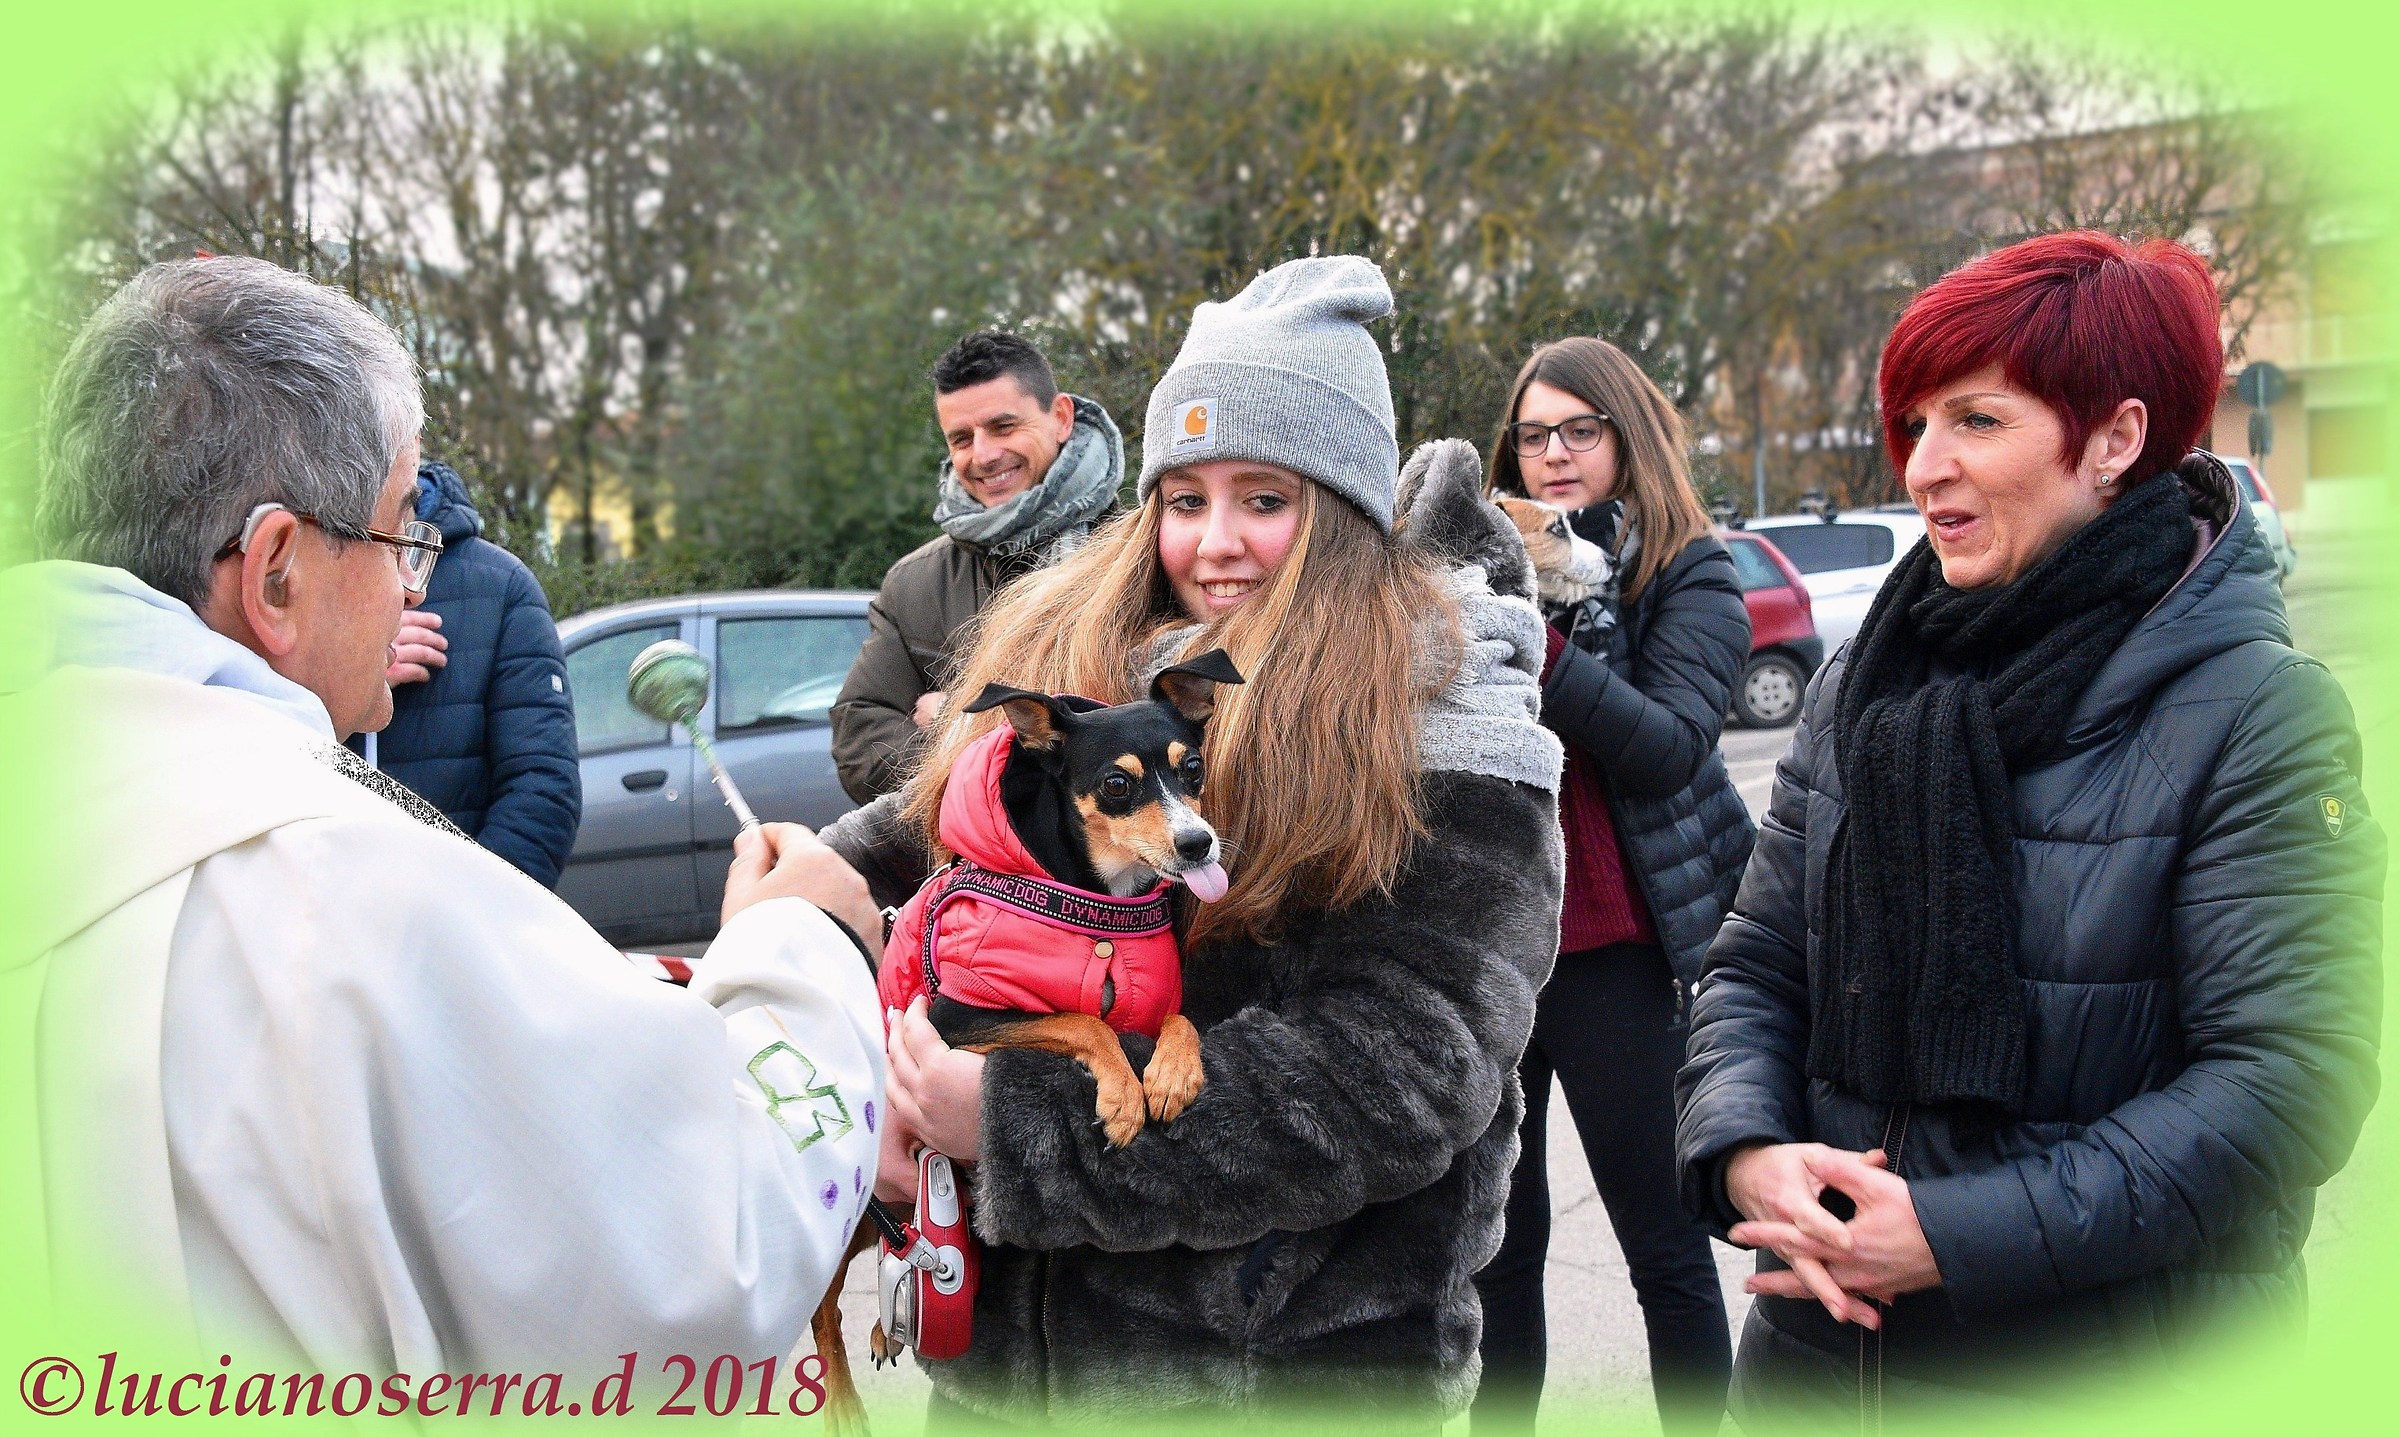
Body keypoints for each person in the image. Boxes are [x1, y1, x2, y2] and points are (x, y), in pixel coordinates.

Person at [2, 256, 887, 1381]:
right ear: (276, 573)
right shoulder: (347, 897)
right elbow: (710, 1265)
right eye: (397, 536)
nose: (416, 586)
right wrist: (800, 948)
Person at [823, 256, 1566, 1427]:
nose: (1212, 542)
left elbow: (1400, 1073)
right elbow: (942, 833)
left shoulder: (1446, 727)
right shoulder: (1110, 668)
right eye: (1184, 498)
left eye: (1264, 498)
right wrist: (820, 893)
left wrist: (1023, 1129)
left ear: (1343, 518)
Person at [1675, 232, 2384, 1423]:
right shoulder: (1869, 682)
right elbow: (1754, 964)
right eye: (1915, 424)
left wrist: (1954, 1234)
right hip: (1816, 1356)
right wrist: (1747, 1151)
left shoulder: (2262, 711)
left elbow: (2290, 1079)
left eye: (1978, 421)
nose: (1924, 467)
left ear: (2115, 439)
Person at [1473, 337, 1752, 1437]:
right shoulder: (1483, 574)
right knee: (1496, 1250)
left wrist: (1531, 643)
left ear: (1627, 436)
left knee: (1664, 1247)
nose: (1552, 455)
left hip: (1619, 960)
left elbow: (1670, 747)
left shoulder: (1691, 572)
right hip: (1497, 950)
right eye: (1533, 435)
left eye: (1578, 431)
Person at [830, 331, 1124, 802]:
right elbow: (860, 735)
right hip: (983, 865)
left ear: (1061, 418)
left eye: (1003, 426)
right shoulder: (913, 586)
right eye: (961, 438)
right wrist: (978, 774)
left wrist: (962, 725)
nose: (983, 455)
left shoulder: (1142, 551)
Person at [349, 458, 581, 887]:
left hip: (456, 916)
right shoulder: (307, 563)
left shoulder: (504, 586)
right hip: (325, 913)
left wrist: (469, 918)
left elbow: (543, 788)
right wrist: (354, 671)